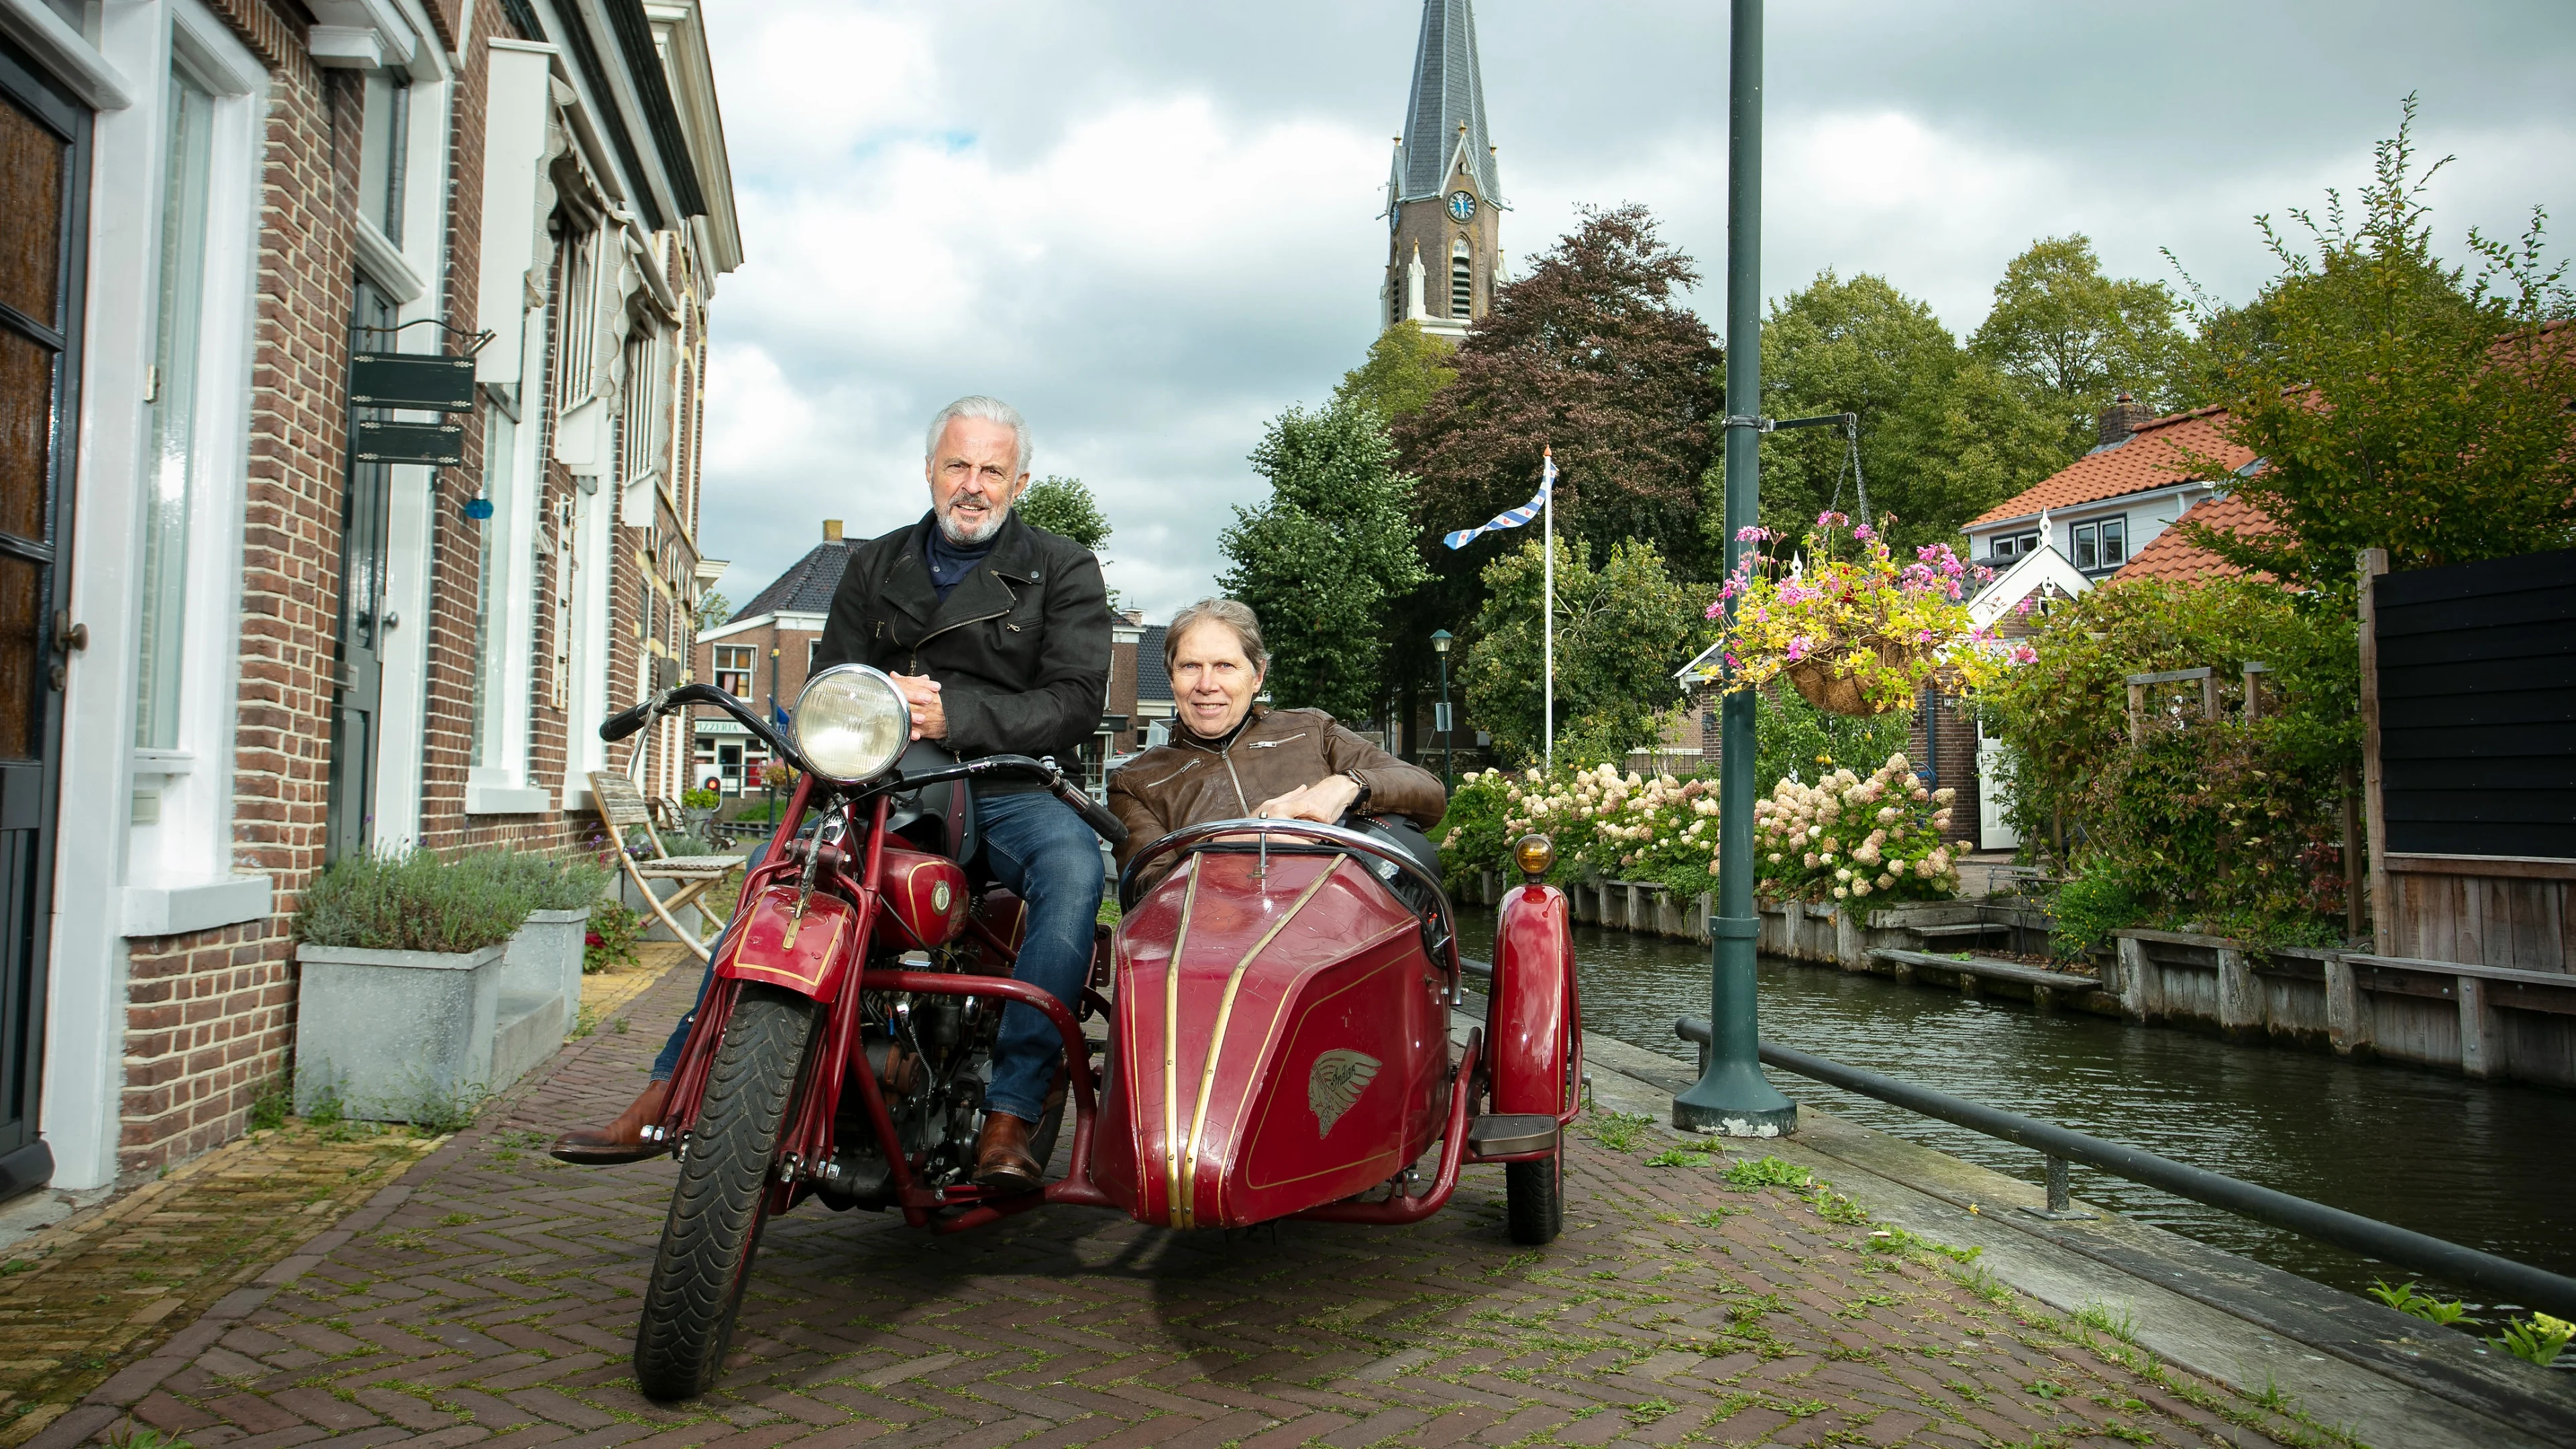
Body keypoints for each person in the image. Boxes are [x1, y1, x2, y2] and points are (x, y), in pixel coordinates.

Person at [551, 396, 1112, 1192]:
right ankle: (672, 1085)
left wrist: (958, 711)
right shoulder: (878, 564)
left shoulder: (1063, 567)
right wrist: (868, 709)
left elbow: (1077, 702)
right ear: (929, 470)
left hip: (1003, 780)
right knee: (774, 873)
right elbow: (829, 681)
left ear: (1020, 481)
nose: (973, 485)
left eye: (992, 470)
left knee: (1075, 872)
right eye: (958, 465)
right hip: (886, 775)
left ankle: (1010, 1114)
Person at [1108, 598, 1444, 877]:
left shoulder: (1312, 730)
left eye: (1225, 665)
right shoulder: (1135, 782)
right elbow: (1146, 891)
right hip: (1218, 944)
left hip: (1335, 931)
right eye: (1190, 666)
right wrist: (1239, 838)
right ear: (1171, 678)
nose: (1207, 685)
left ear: (1257, 676)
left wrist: (1345, 786)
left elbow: (1429, 791)